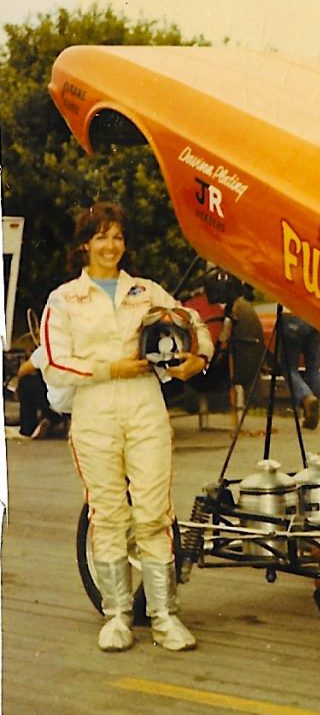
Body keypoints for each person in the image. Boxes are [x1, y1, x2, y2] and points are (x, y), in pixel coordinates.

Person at [41, 202, 213, 653]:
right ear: (84, 244)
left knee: (155, 513)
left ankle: (164, 617)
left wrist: (197, 359)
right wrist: (108, 369)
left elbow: (192, 323)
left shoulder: (144, 290)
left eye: (117, 236)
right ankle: (116, 615)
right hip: (95, 410)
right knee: (109, 513)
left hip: (145, 405)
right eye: (101, 236)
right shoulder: (64, 299)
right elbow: (55, 363)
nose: (110, 245)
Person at [13, 346, 68, 438]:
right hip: (77, 404)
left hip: (55, 402)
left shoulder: (44, 351)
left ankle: (28, 428)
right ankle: (58, 421)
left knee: (26, 381)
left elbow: (22, 371)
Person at [280, 312, 320, 429]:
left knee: (289, 367)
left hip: (291, 315)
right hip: (313, 314)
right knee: (313, 367)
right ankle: (313, 415)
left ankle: (306, 396)